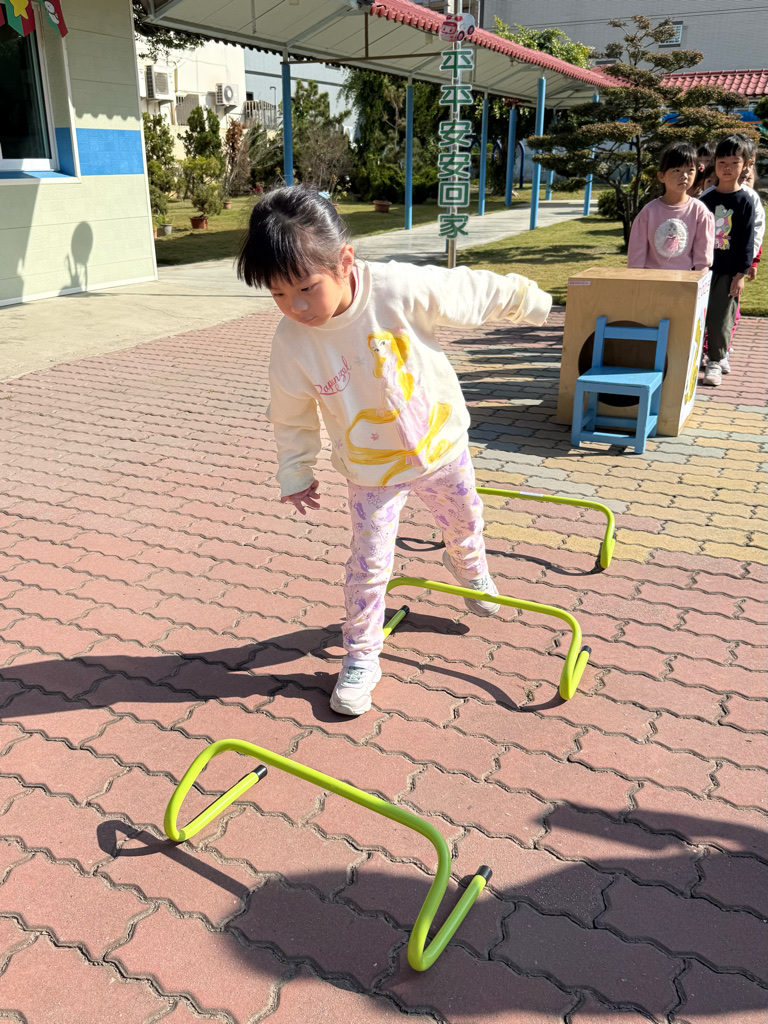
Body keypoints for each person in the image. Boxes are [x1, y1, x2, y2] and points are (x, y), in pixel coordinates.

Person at [237, 185, 552, 716]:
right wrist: (295, 470)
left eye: (307, 288)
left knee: (466, 518)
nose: (296, 307)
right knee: (368, 564)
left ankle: (467, 564)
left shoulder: (396, 288)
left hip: (442, 447)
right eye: (278, 295)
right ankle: (361, 654)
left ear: (344, 262)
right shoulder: (291, 342)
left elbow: (468, 290)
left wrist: (529, 300)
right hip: (372, 473)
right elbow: (289, 412)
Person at [698, 135, 758, 385]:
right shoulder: (705, 199)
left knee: (722, 317)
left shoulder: (745, 201)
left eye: (735, 162)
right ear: (715, 163)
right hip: (702, 270)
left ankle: (716, 360)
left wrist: (741, 273)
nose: (727, 168)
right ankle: (693, 357)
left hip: (728, 273)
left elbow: (747, 240)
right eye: (722, 162)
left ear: (745, 165)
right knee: (698, 316)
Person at [627, 141, 714, 271]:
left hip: (685, 280)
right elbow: (636, 255)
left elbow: (703, 254)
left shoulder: (699, 211)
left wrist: (700, 277)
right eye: (676, 170)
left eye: (690, 170)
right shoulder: (649, 212)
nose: (684, 176)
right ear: (661, 176)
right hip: (652, 279)